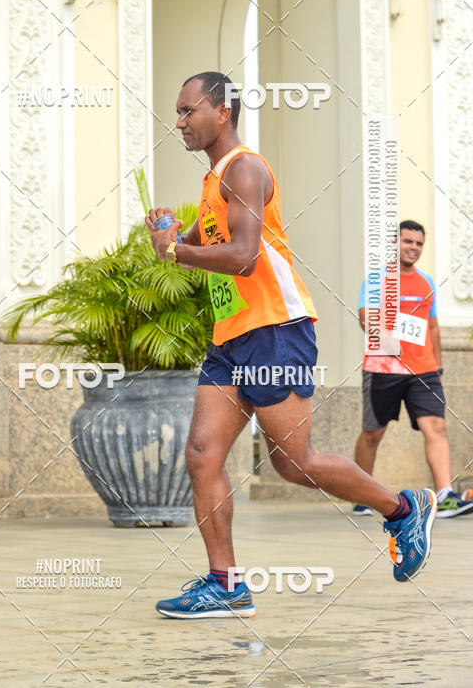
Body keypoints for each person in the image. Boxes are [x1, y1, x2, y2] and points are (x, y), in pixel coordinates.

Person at [145, 72, 437, 620]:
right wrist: (170, 235)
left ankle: (404, 508)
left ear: (222, 112)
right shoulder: (213, 184)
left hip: (276, 330)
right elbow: (204, 247)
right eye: (178, 113)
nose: (179, 122)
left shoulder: (246, 169)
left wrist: (176, 254)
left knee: (293, 463)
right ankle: (226, 585)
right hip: (232, 338)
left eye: (188, 111)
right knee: (203, 454)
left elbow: (244, 256)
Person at [353, 220, 473, 519]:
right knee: (372, 434)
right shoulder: (377, 280)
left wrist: (438, 363)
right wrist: (387, 340)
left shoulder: (427, 283)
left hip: (424, 371)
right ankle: (360, 493)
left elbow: (432, 326)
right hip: (383, 369)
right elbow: (365, 317)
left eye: (419, 244)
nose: (414, 248)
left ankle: (445, 495)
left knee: (437, 426)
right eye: (408, 242)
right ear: (395, 244)